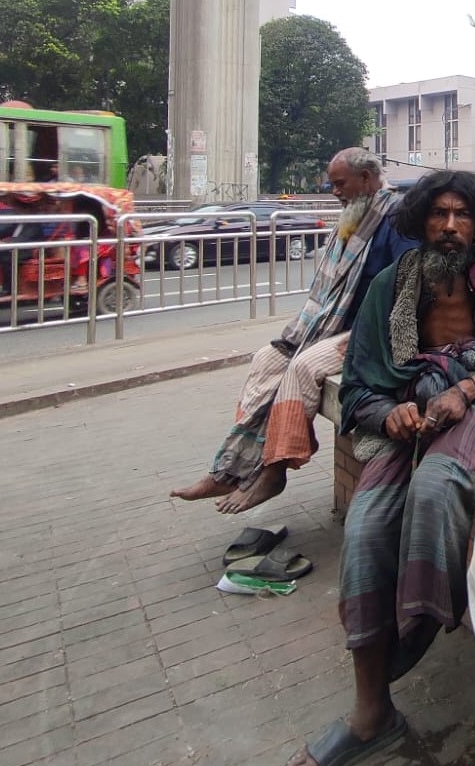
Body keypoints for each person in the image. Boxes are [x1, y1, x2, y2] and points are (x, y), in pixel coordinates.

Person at [281, 170, 475, 766]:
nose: (450, 226)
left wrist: (471, 388)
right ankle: (371, 711)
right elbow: (358, 386)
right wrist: (390, 413)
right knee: (365, 526)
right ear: (421, 222)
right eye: (438, 214)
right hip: (409, 419)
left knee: (437, 486)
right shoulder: (390, 285)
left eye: (462, 215)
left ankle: (420, 624)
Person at [170, 147, 417, 514]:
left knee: (302, 368)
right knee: (266, 360)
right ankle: (230, 467)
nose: (334, 192)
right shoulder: (355, 215)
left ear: (366, 179)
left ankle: (275, 470)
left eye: (340, 184)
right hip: (330, 324)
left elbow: (409, 284)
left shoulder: (396, 217)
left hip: (373, 330)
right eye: (332, 185)